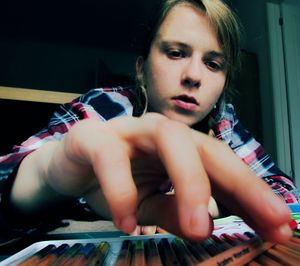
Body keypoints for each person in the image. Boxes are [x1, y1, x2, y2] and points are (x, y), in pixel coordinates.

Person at [0, 0, 298, 245]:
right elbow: (9, 172)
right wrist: (47, 175)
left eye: (213, 63)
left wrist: (207, 201)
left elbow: (284, 196)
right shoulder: (105, 107)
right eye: (176, 53)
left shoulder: (224, 124)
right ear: (141, 69)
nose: (194, 75)